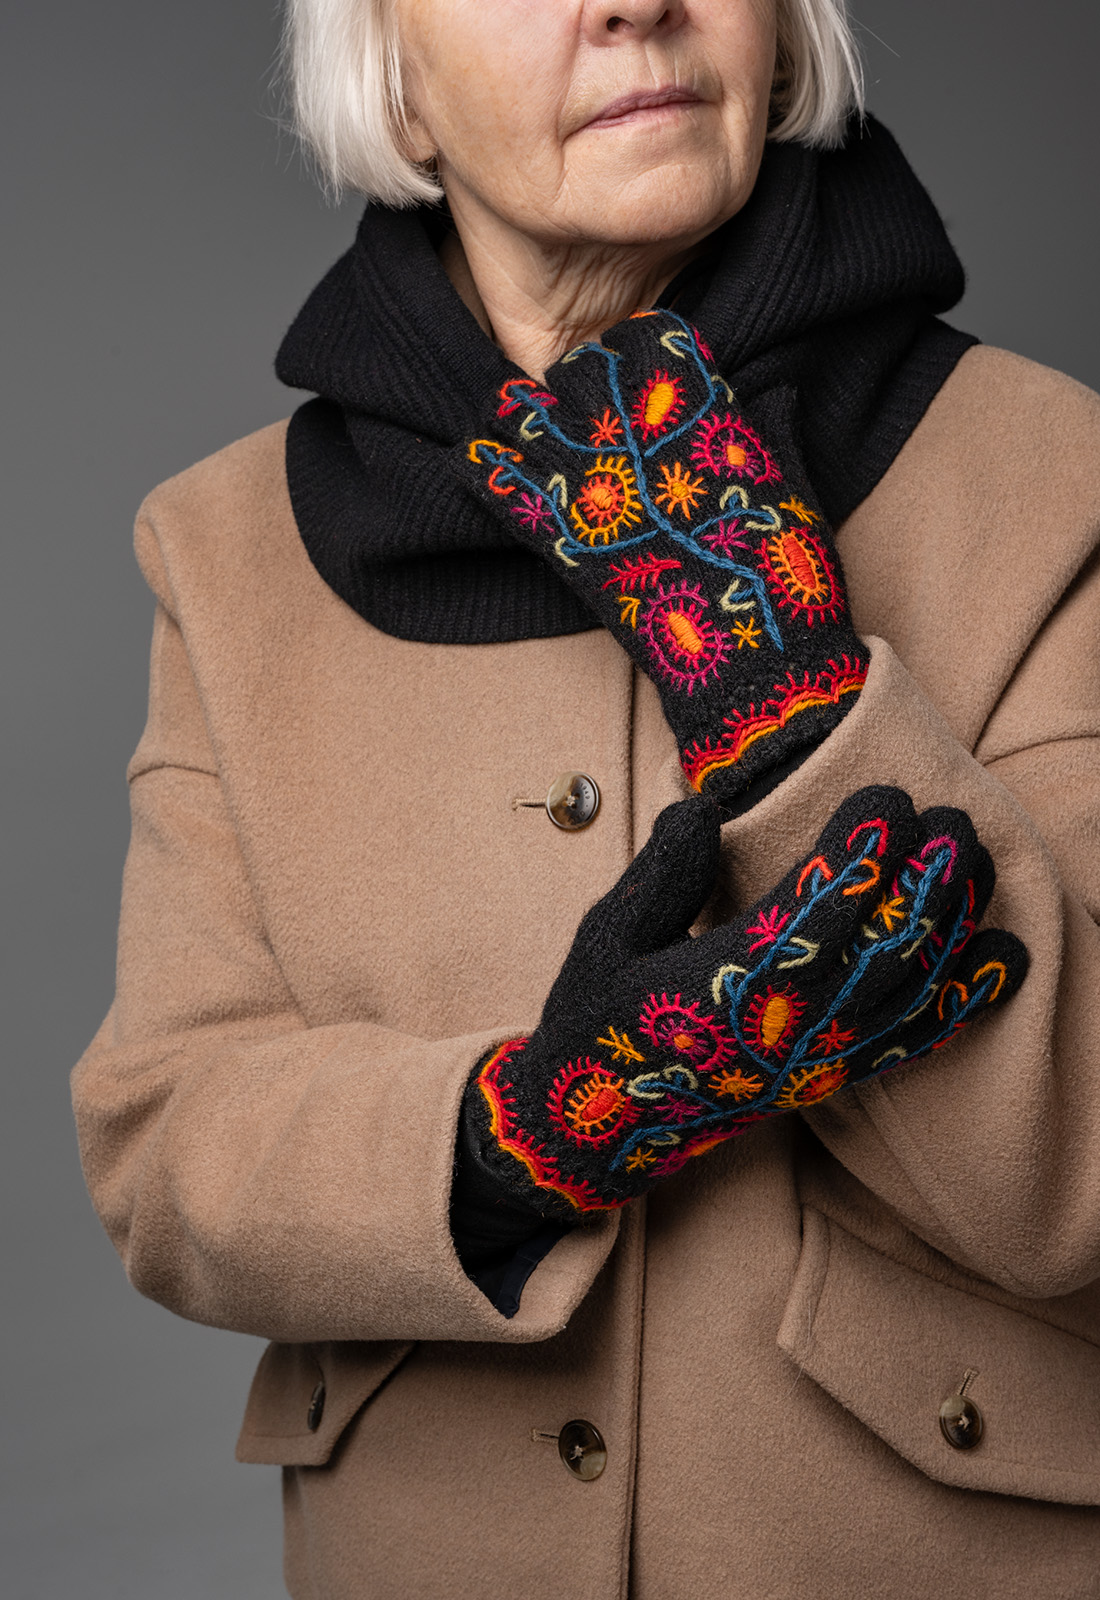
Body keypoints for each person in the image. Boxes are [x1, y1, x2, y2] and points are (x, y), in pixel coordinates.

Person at [72, 0, 1100, 1594]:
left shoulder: (1054, 478)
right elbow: (167, 1147)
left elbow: (1080, 1188)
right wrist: (526, 1137)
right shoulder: (223, 552)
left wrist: (797, 715)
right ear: (395, 83)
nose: (636, 3)